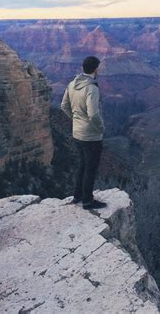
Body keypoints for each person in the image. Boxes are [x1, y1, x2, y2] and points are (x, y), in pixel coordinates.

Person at [61, 56, 107, 210]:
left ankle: (77, 195)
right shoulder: (91, 88)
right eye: (98, 68)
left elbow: (64, 106)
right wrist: (100, 128)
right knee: (91, 168)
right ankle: (87, 201)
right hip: (90, 135)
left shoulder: (72, 84)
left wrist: (75, 119)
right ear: (95, 69)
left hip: (77, 133)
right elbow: (93, 113)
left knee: (82, 165)